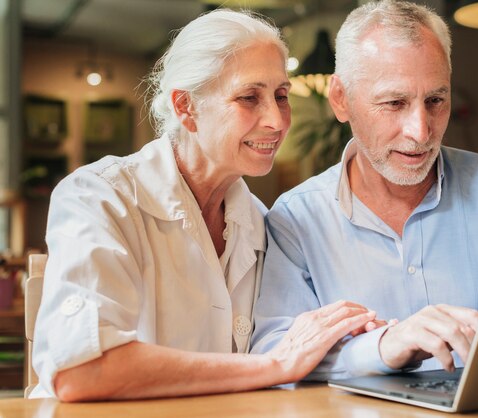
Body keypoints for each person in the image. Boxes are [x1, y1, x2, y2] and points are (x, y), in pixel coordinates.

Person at [31, 9, 379, 401]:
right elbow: (81, 372)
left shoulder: (265, 223)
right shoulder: (99, 197)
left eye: (281, 96)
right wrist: (276, 364)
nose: (277, 121)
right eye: (249, 97)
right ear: (186, 107)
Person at [251, 0, 478, 379]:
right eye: (395, 103)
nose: (421, 131)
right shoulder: (296, 218)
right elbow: (272, 350)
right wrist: (382, 346)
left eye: (435, 101)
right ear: (340, 100)